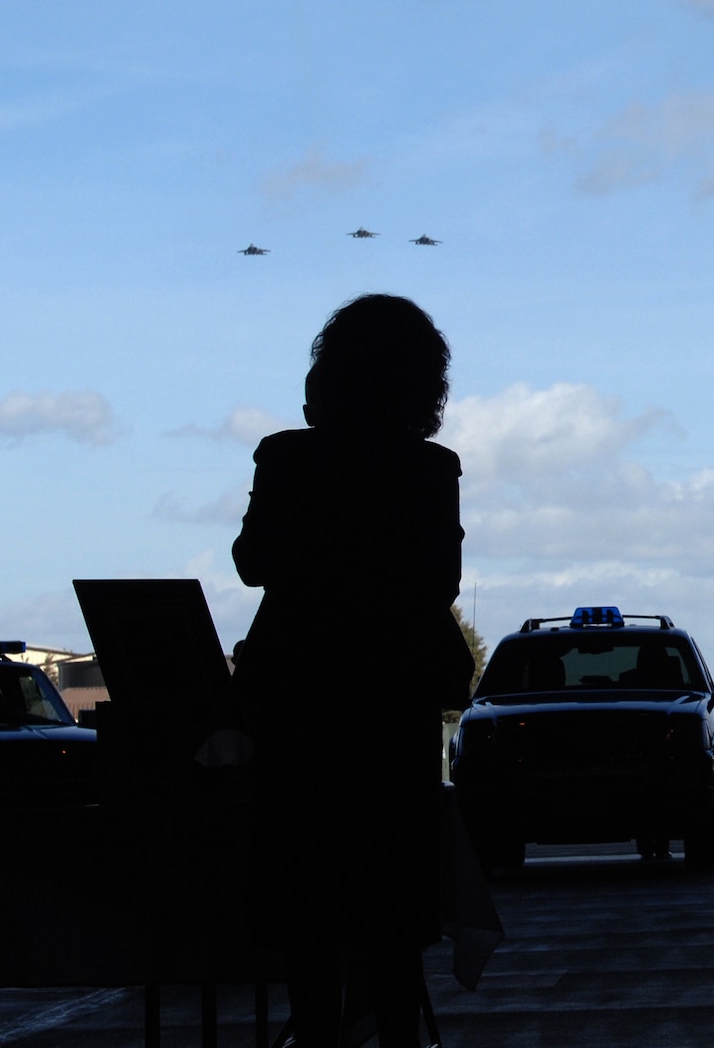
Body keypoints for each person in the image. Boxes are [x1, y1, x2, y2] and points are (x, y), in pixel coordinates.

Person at [232, 294, 473, 1048]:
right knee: (390, 919)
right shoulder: (430, 469)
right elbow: (438, 583)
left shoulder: (286, 457)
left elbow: (252, 562)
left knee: (307, 916)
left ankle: (317, 1033)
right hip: (389, 705)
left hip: (297, 703)